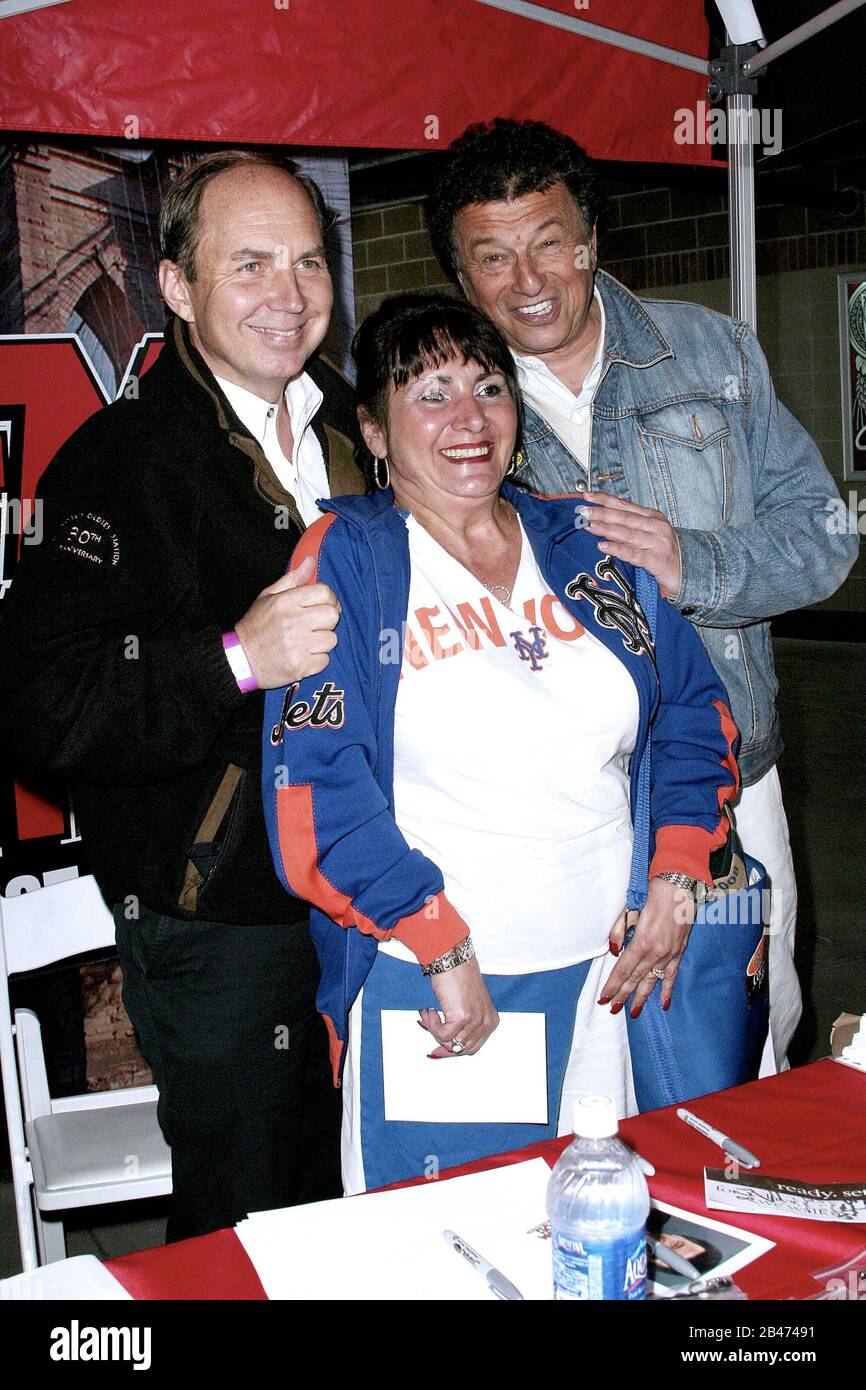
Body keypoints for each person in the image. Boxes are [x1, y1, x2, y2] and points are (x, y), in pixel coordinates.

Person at [261, 292, 740, 1194]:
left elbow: (692, 712)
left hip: (618, 975)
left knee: (603, 1240)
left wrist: (677, 874)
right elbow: (319, 793)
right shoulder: (349, 560)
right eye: (431, 394)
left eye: (488, 387)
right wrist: (439, 947)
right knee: (444, 1252)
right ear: (373, 429)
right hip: (449, 986)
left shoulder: (584, 540)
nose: (470, 419)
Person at [425, 118, 860, 1074]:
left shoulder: (711, 357)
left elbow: (826, 540)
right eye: (492, 258)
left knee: (746, 1039)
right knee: (588, 1063)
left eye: (548, 243)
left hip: (731, 797)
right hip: (558, 817)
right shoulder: (452, 411)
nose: (528, 282)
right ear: (463, 279)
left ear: (589, 241)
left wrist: (693, 564)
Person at [0, 150, 365, 1240]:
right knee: (252, 1223)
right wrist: (233, 659)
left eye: (307, 261)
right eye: (247, 264)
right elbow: (41, 704)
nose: (287, 295)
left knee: (367, 1201)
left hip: (385, 891)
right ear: (175, 285)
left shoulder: (371, 429)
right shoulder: (118, 462)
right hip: (228, 924)